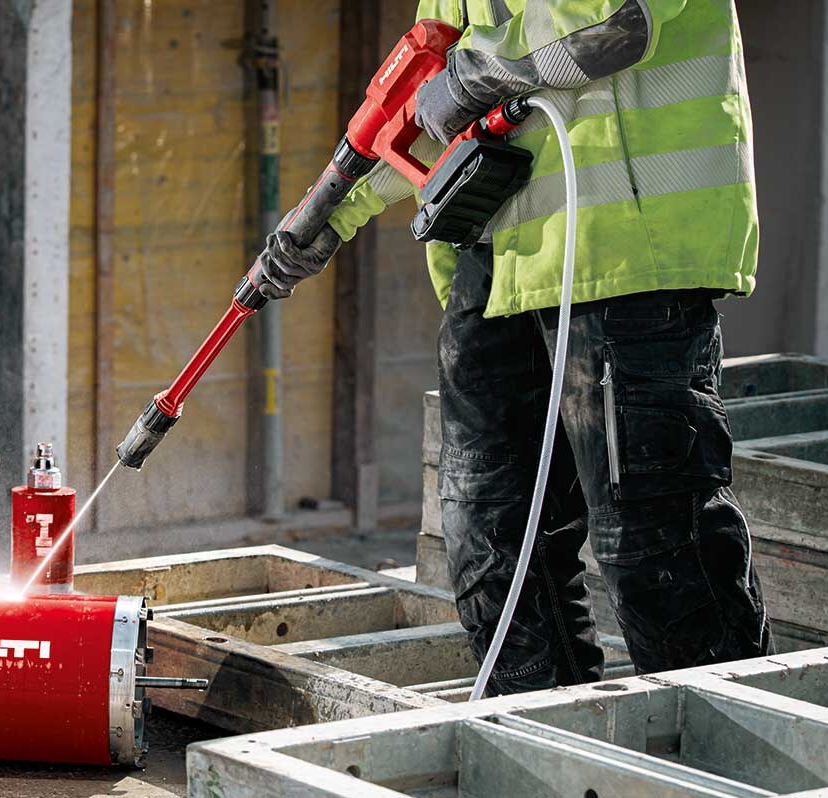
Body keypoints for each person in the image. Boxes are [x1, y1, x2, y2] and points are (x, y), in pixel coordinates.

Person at [254, 0, 771, 695]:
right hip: (497, 263)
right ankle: (536, 737)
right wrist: (328, 212)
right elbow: (427, 106)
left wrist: (472, 73)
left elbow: (620, 19)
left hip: (628, 250)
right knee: (492, 545)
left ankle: (728, 741)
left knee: (656, 545)